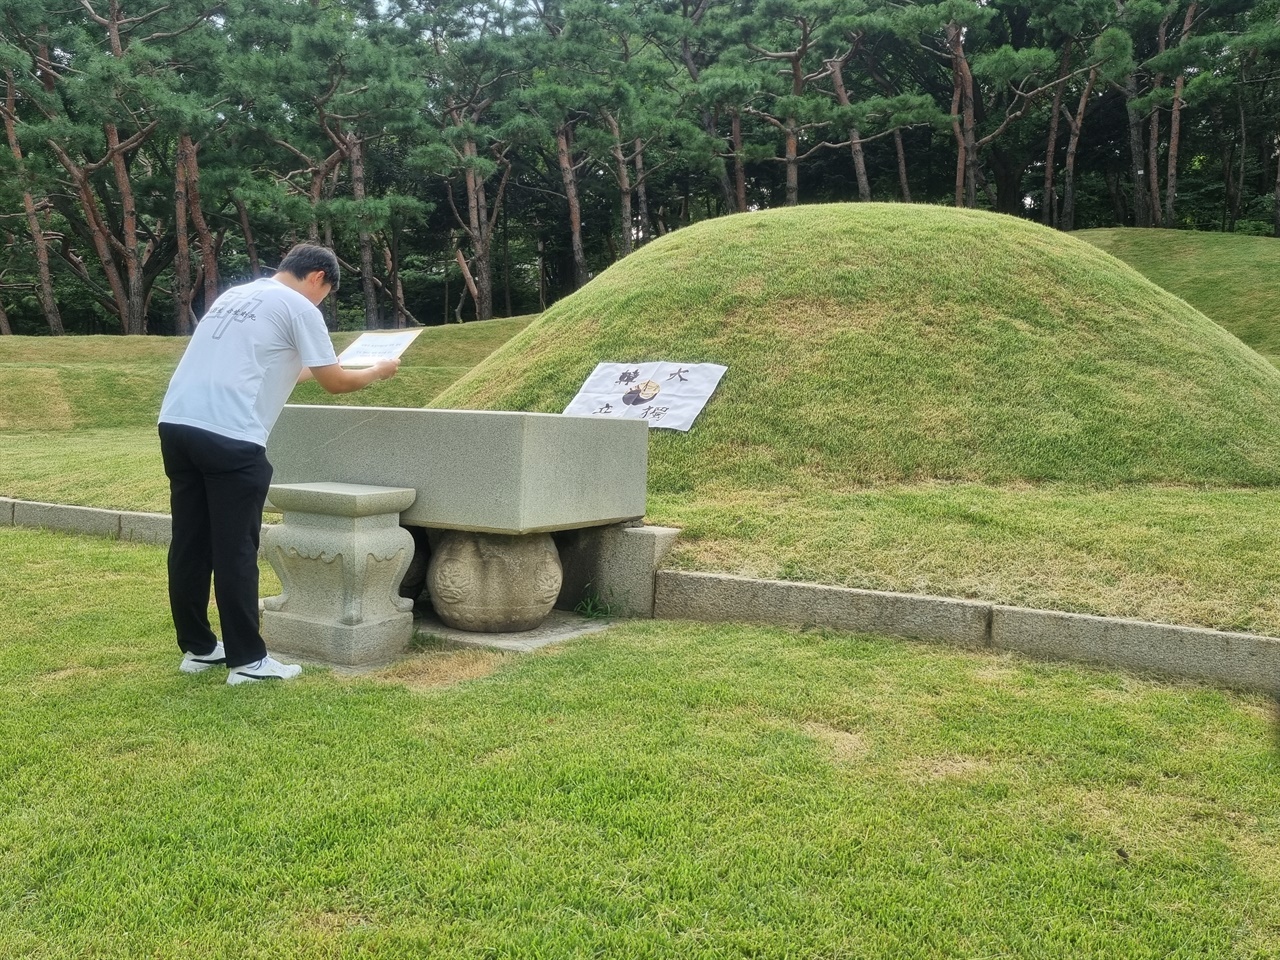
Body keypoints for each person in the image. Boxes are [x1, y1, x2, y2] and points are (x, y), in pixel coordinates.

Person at [158, 243, 400, 685]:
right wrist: (378, 371)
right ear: (317, 278)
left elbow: (287, 368)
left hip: (178, 424)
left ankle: (199, 648)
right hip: (230, 435)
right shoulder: (300, 306)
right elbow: (336, 385)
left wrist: (341, 364)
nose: (320, 301)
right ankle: (248, 662)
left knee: (191, 541)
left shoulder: (237, 296)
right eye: (325, 293)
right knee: (236, 549)